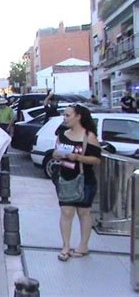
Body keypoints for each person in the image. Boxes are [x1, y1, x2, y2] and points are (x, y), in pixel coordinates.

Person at [52, 105, 101, 262]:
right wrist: (58, 155)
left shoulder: (89, 136)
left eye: (67, 115)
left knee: (84, 212)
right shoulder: (62, 134)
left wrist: (78, 158)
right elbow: (55, 152)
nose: (65, 118)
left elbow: (96, 159)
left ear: (78, 116)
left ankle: (83, 246)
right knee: (66, 212)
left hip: (84, 178)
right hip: (65, 177)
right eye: (64, 115)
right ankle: (65, 246)